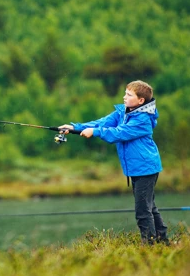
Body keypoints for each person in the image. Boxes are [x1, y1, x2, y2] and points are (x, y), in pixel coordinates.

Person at [59, 80, 169, 245]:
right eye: (125, 93)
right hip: (138, 169)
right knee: (149, 207)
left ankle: (150, 246)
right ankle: (163, 242)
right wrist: (75, 127)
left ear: (141, 101)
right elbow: (102, 123)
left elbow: (119, 133)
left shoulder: (143, 120)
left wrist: (95, 132)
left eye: (129, 95)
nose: (124, 97)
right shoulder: (123, 112)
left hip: (146, 169)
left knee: (143, 211)